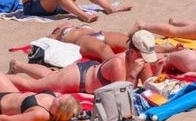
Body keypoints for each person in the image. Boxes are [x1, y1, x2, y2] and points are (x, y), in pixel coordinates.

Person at [9, 40, 155, 93]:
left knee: (50, 77)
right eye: (143, 55)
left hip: (87, 72)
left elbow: (150, 86)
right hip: (79, 78)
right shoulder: (118, 62)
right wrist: (133, 74)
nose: (145, 59)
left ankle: (19, 66)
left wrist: (157, 69)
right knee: (32, 86)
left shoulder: (140, 61)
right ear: (132, 51)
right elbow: (123, 93)